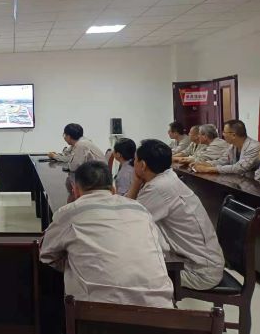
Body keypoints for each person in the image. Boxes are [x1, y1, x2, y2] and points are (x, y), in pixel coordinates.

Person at [40, 161, 173, 308]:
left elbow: (46, 254)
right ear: (113, 189)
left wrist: (74, 260)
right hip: (160, 310)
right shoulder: (139, 209)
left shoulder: (70, 212)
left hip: (98, 312)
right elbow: (163, 250)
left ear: (75, 190)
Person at [127, 139, 224, 290]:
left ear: (143, 165)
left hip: (199, 272)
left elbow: (127, 219)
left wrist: (135, 182)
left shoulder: (159, 188)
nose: (133, 164)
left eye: (135, 160)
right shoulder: (167, 177)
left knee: (128, 273)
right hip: (202, 262)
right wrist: (137, 182)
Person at [192, 120, 260, 177]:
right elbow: (223, 160)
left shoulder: (254, 147)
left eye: (224, 132)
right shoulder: (232, 146)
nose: (223, 134)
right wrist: (206, 164)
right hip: (238, 182)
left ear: (233, 135)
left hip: (254, 185)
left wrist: (209, 169)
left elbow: (240, 168)